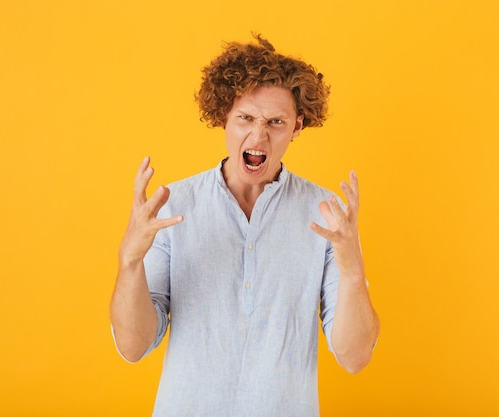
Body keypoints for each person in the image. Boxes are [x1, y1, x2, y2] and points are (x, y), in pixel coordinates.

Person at [110, 34, 379, 417]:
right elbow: (132, 347)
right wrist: (129, 262)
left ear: (297, 127)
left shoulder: (328, 216)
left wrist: (353, 272)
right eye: (246, 118)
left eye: (276, 122)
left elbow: (354, 358)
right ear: (224, 117)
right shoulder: (173, 207)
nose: (258, 135)